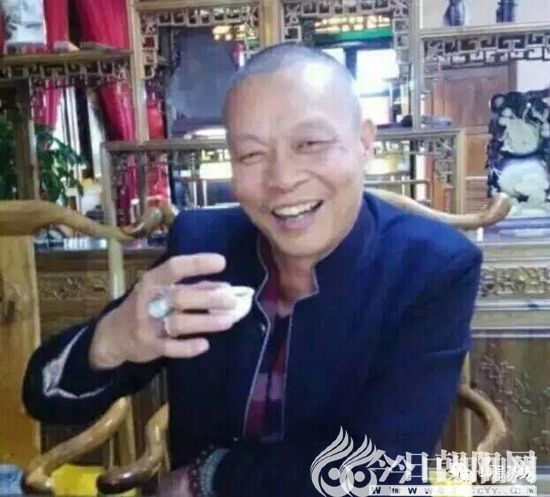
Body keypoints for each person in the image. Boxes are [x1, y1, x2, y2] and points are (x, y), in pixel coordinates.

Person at [23, 43, 482, 497]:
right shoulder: (203, 247)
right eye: (250, 155)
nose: (282, 179)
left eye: (310, 144)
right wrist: (112, 339)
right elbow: (44, 398)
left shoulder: (429, 267)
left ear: (364, 142)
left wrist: (205, 478)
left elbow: (380, 473)